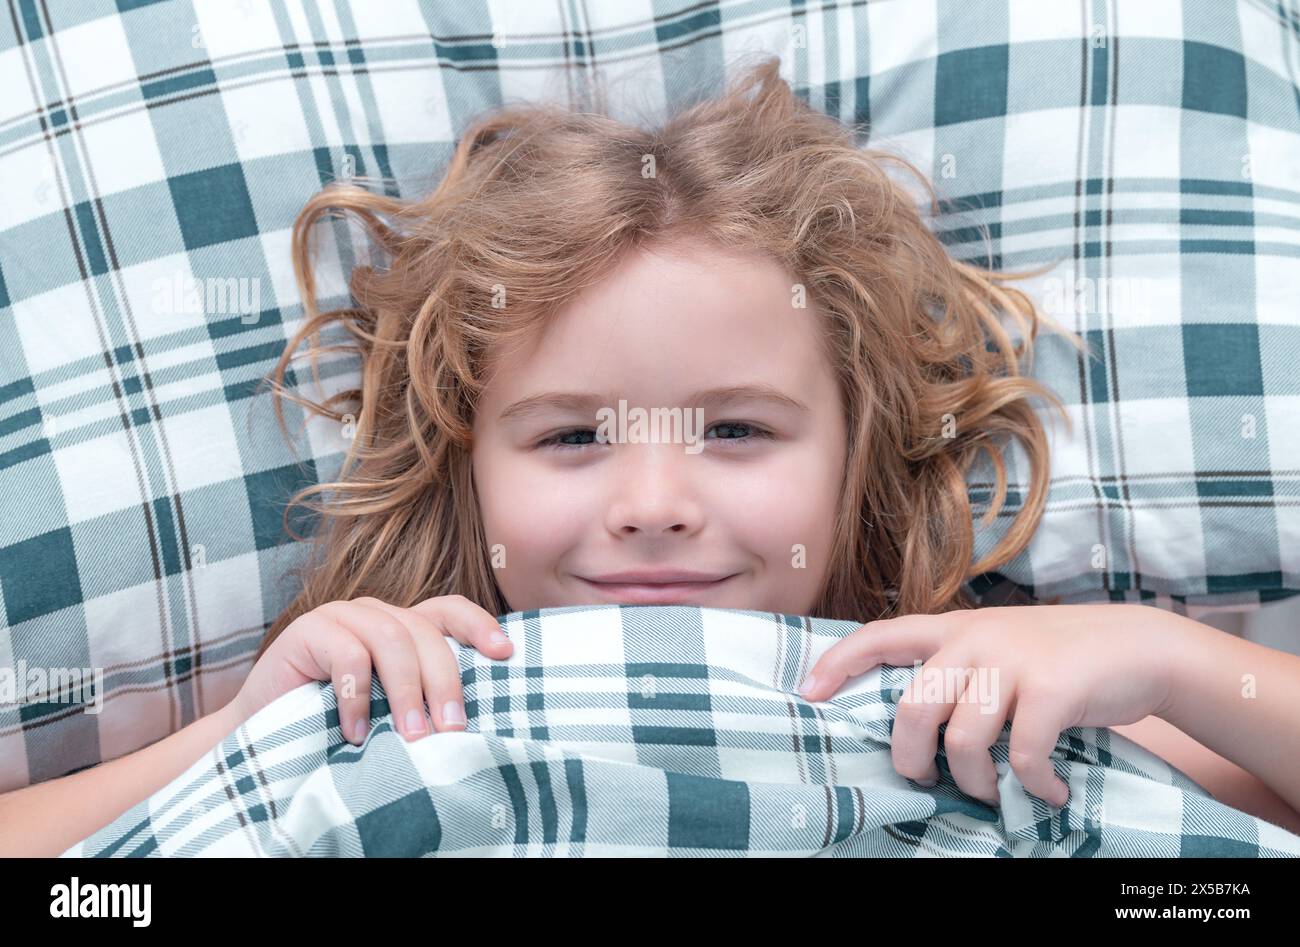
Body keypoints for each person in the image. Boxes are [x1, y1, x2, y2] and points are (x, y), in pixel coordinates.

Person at [4, 56, 1298, 857]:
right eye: (571, 437)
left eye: (735, 430)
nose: (656, 505)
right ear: (470, 470)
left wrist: (1166, 659)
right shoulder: (381, 693)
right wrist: (240, 732)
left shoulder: (955, 709)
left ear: (860, 458)